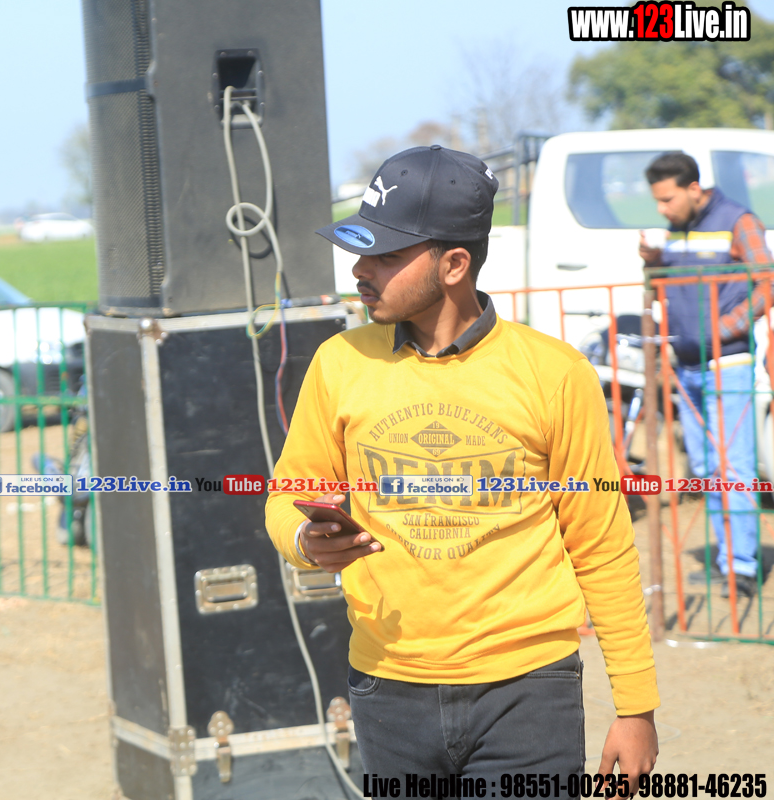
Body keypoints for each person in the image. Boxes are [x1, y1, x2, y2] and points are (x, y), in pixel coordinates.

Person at [266, 145, 659, 780]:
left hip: (529, 692)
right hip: (386, 687)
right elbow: (288, 494)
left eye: (385, 255)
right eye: (361, 251)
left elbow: (602, 545)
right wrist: (305, 540)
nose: (360, 270)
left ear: (454, 264)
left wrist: (636, 706)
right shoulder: (339, 362)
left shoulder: (555, 373)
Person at [639, 152, 769, 600]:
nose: (662, 209)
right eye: (657, 201)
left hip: (727, 363)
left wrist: (723, 329)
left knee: (734, 468)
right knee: (708, 469)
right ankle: (726, 560)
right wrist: (653, 261)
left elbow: (767, 283)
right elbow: (663, 286)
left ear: (694, 188)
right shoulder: (675, 231)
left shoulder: (739, 221)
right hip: (686, 366)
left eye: (668, 199)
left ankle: (742, 566)